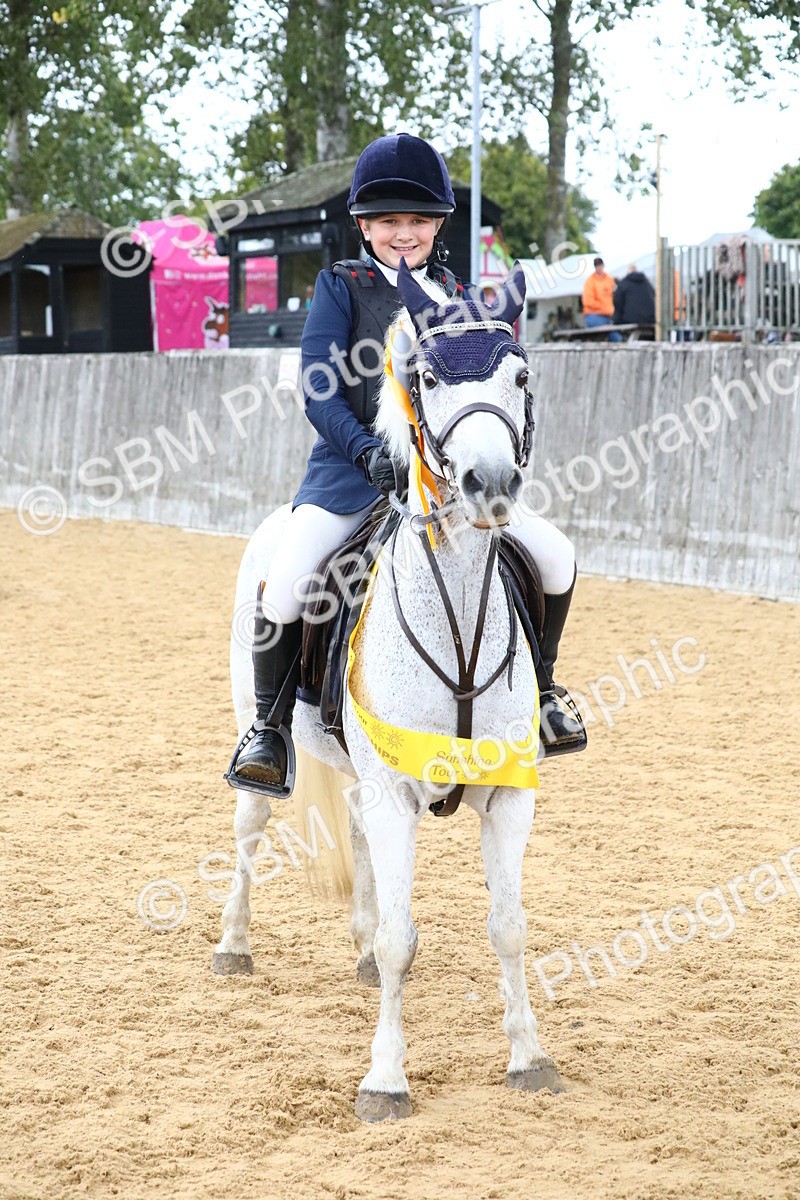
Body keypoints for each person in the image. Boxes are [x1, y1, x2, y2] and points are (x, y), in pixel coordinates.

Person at [228, 132, 586, 797]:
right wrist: (367, 453)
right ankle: (270, 731)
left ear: (438, 224)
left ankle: (544, 693)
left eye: (417, 220)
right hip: (348, 476)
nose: (403, 233)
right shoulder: (341, 288)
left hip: (447, 482)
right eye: (389, 221)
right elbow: (318, 388)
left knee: (556, 555)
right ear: (364, 225)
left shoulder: (461, 295)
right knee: (285, 582)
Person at [581, 257, 621, 342]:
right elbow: (587, 302)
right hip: (593, 315)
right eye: (597, 266)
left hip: (608, 316)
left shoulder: (609, 279)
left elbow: (615, 294)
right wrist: (604, 308)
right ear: (595, 267)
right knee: (603, 336)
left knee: (617, 339)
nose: (599, 267)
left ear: (603, 266)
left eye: (600, 265)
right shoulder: (590, 281)